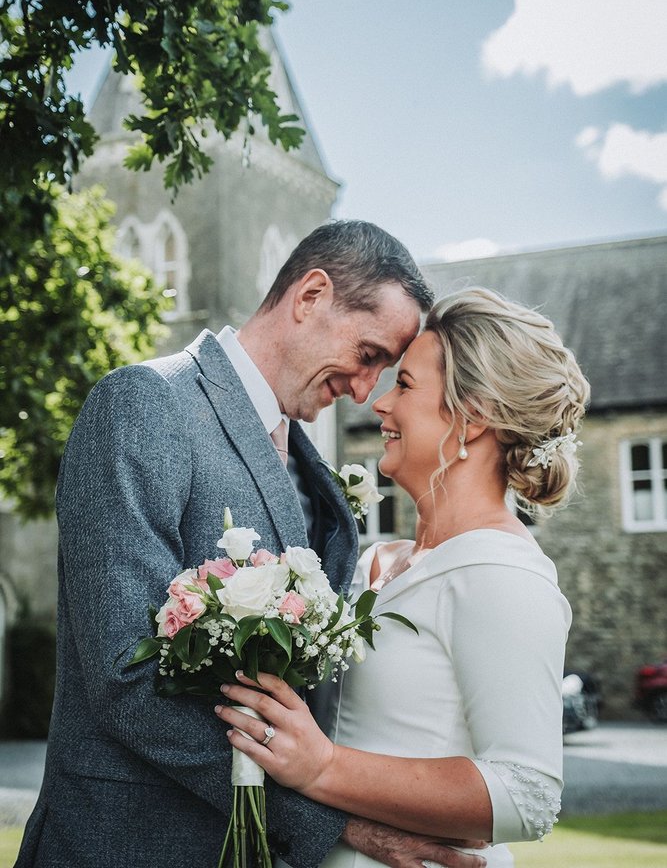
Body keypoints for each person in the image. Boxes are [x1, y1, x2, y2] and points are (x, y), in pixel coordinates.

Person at [16, 221, 487, 868]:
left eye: (384, 371)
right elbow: (127, 676)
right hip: (127, 844)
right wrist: (332, 821)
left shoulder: (310, 468)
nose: (363, 390)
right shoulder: (144, 404)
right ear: (311, 296)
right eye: (368, 354)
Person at [216, 286, 591, 868]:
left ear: (472, 417)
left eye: (407, 385)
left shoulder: (502, 574)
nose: (380, 403)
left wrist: (324, 767)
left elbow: (527, 794)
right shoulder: (376, 561)